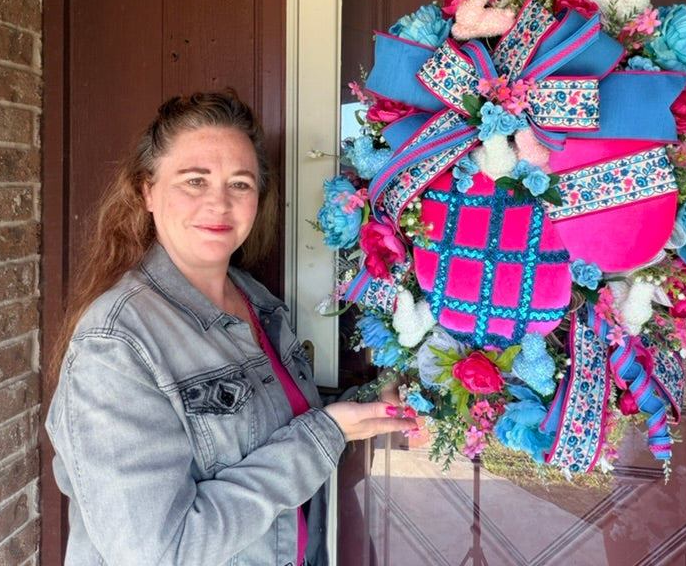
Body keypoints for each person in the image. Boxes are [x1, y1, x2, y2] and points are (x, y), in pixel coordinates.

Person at [45, 91, 415, 566]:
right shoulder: (116, 344)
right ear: (148, 191)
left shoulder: (256, 301)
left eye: (239, 184)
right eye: (194, 180)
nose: (219, 202)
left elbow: (268, 428)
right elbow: (159, 552)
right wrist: (323, 434)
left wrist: (360, 412)